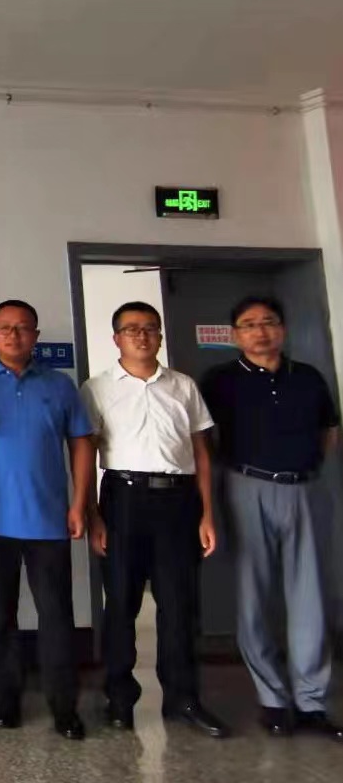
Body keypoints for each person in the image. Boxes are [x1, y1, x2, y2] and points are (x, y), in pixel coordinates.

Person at [81, 300, 230, 738]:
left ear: (160, 336)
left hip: (179, 503)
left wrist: (207, 513)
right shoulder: (96, 388)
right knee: (121, 603)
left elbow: (202, 453)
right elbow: (85, 454)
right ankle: (118, 698)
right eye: (132, 329)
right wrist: (93, 515)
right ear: (116, 339)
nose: (142, 335)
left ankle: (183, 699)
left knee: (179, 605)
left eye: (150, 328)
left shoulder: (183, 386)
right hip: (123, 500)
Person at [200, 295, 343, 741]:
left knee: (310, 595)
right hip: (247, 486)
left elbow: (329, 432)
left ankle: (312, 702)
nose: (260, 331)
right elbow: (203, 440)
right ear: (235, 335)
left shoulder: (309, 377)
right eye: (249, 324)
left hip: (304, 489)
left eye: (268, 322)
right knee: (254, 595)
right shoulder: (220, 380)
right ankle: (273, 700)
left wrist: (303, 469)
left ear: (282, 328)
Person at [0, 299, 93, 741]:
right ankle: (6, 698)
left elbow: (81, 443)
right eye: (4, 327)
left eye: (22, 328)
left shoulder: (59, 385)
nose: (13, 335)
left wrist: (79, 503)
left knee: (56, 615)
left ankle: (63, 705)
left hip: (49, 521)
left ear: (36, 335)